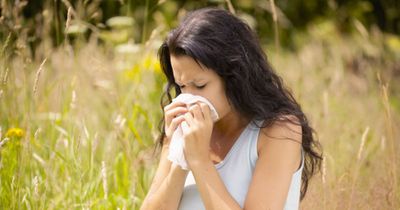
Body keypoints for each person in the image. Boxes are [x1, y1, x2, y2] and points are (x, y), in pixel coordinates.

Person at [141, 7, 322, 210]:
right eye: (182, 86)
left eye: (200, 85)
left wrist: (200, 161)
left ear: (235, 76)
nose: (189, 97)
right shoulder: (182, 128)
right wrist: (180, 159)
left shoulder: (278, 131)